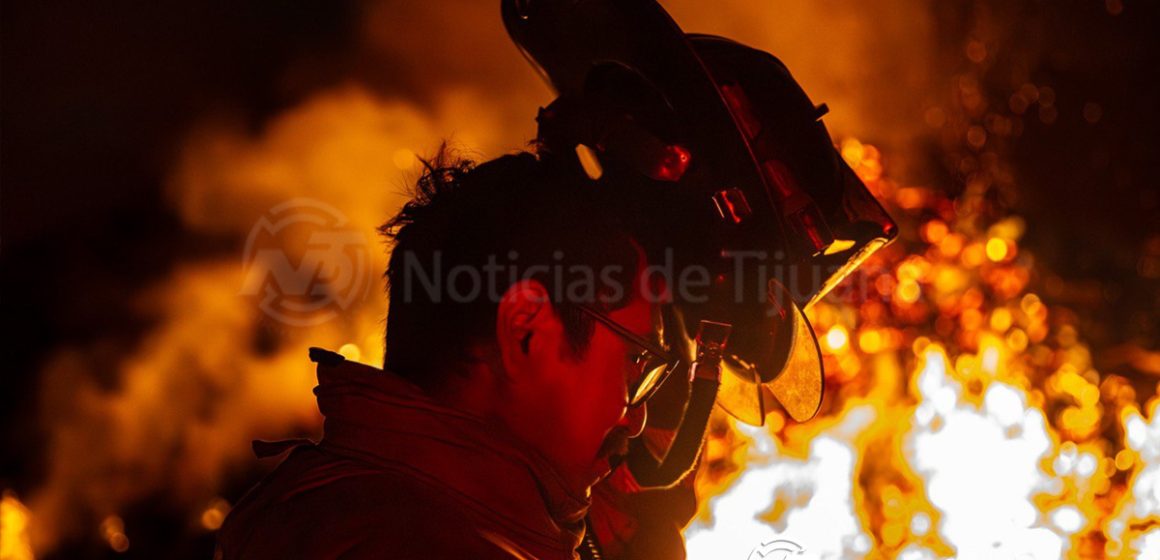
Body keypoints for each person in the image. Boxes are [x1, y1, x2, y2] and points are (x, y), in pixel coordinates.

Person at [216, 149, 682, 559]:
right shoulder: (427, 544)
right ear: (526, 331)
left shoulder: (328, 512)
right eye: (636, 361)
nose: (635, 418)